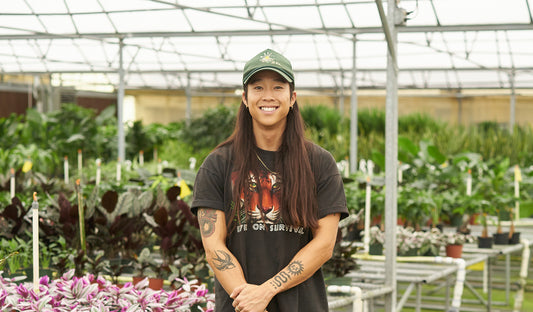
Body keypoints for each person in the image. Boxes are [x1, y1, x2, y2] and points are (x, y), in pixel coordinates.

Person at [191, 48, 348, 312]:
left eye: (277, 87)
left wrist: (266, 291)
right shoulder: (217, 164)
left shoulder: (319, 163)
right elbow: (213, 245)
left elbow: (324, 245)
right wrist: (249, 302)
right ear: (245, 97)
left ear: (292, 97)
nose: (267, 96)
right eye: (257, 87)